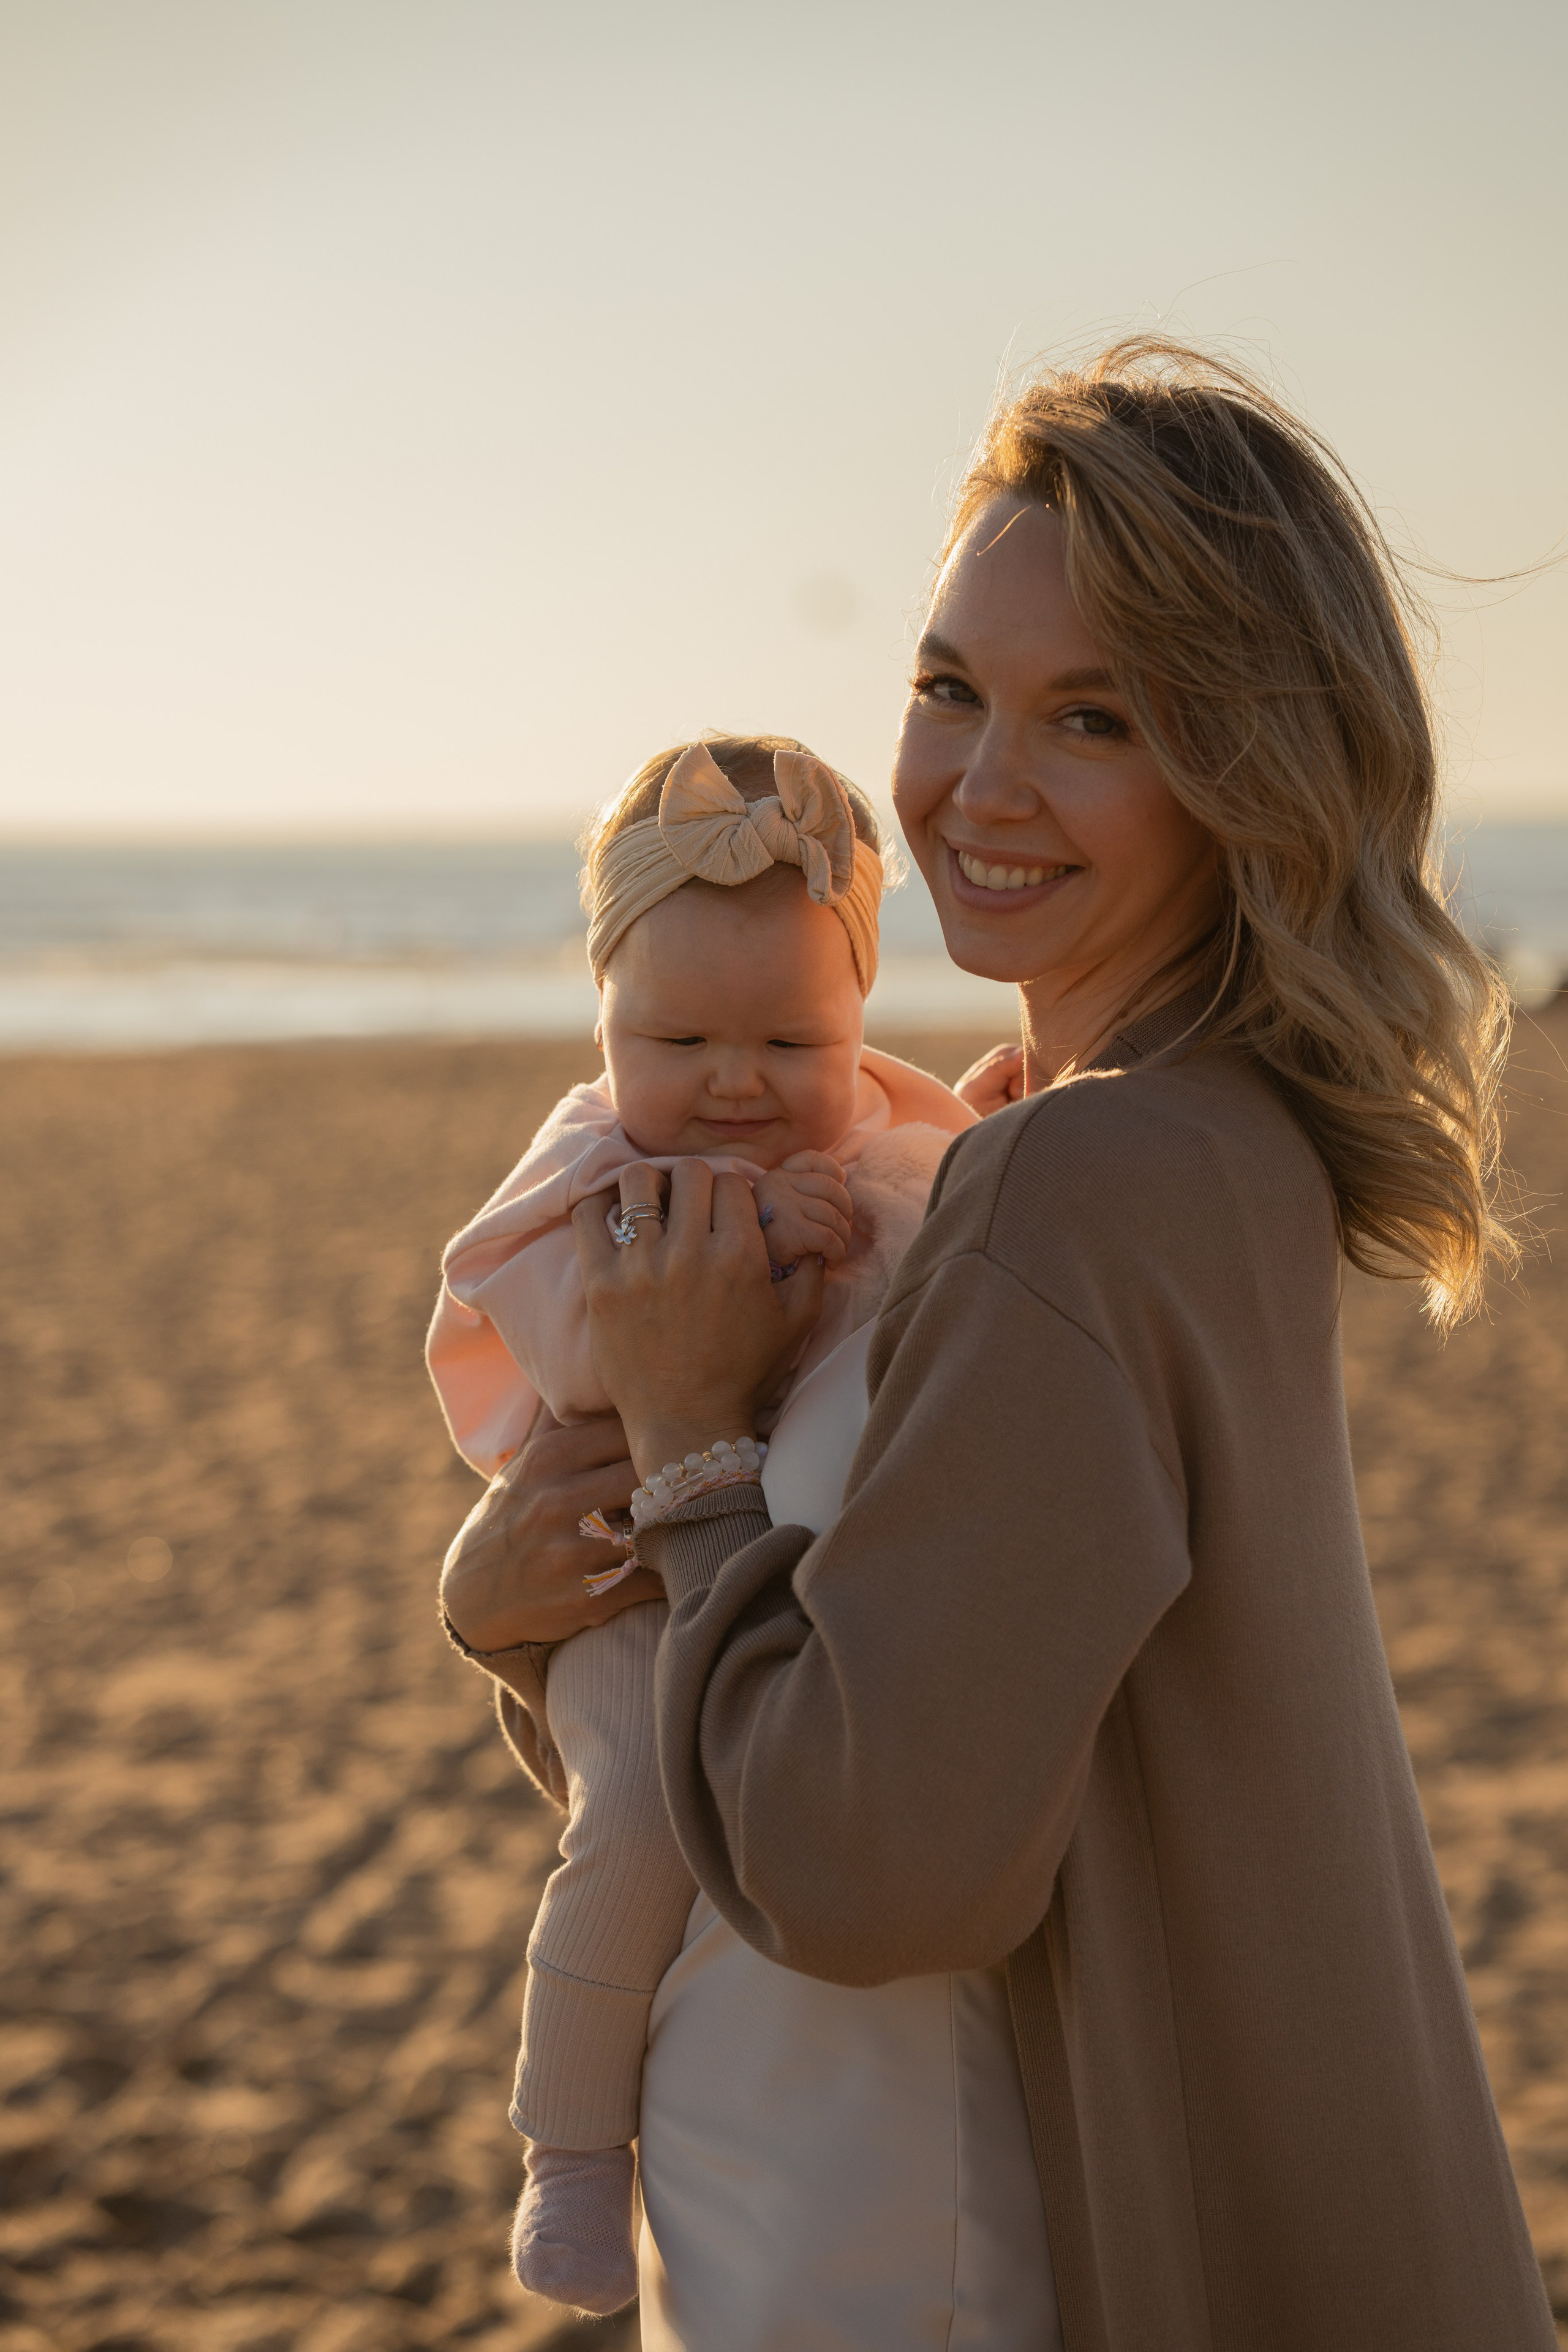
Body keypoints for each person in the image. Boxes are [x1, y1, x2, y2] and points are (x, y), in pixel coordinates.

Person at [444, 339, 1555, 2349]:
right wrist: (525, 1616)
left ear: (1246, 767)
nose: (978, 783)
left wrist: (692, 1443)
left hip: (1008, 2246)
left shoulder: (1076, 1177)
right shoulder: (1179, 1128)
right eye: (951, 687)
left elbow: (871, 1871)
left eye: (1096, 717)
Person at [428, 732, 974, 2315]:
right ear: (603, 1026)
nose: (734, 1083)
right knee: (642, 1827)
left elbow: (958, 1243)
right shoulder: (597, 1174)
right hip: (621, 1597)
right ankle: (571, 2141)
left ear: (861, 1017)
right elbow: (581, 1353)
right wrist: (736, 1242)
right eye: (676, 1037)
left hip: (809, 1716)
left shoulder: (887, 1154)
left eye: (789, 1040)